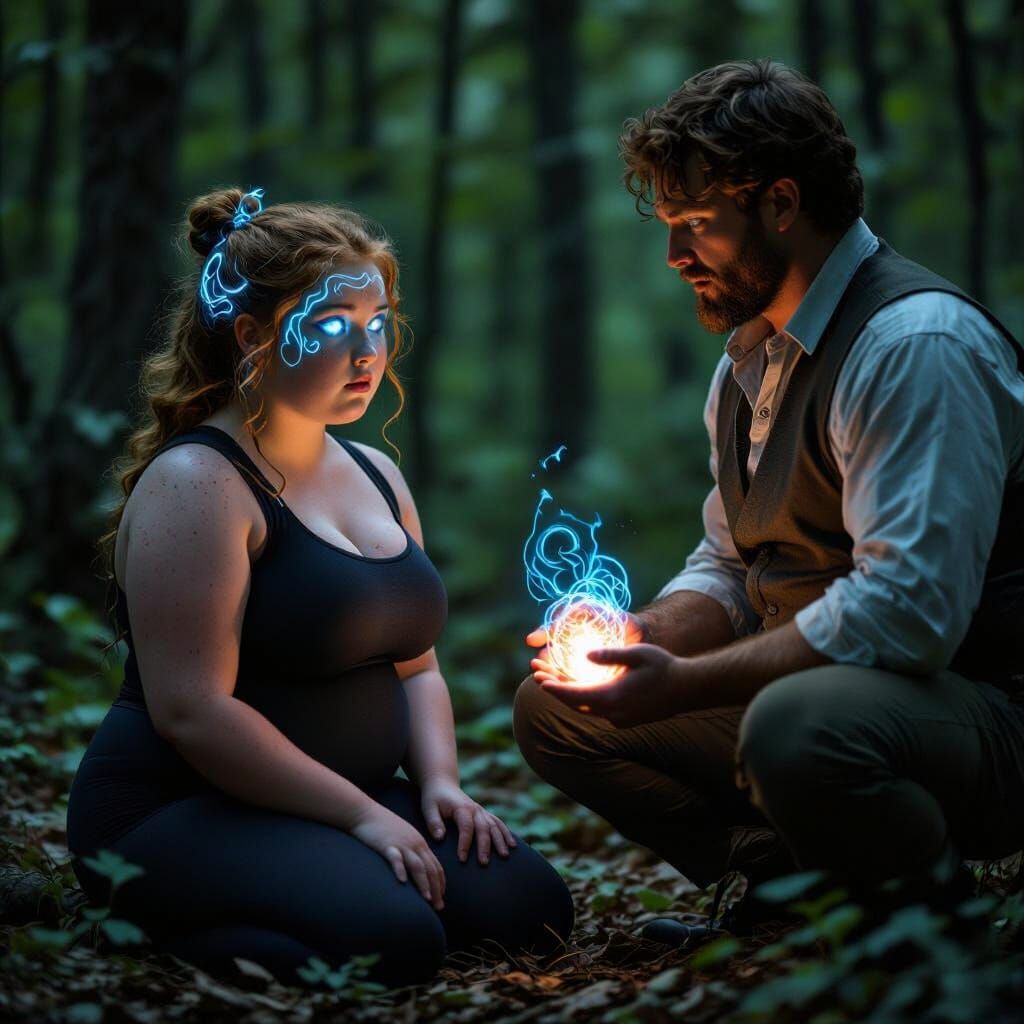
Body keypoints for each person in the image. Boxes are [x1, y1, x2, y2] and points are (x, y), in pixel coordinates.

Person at [514, 59, 1024, 943]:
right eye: (669, 227)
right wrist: (639, 637)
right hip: (844, 701)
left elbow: (910, 615)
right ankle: (792, 903)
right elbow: (729, 562)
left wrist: (686, 684)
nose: (675, 257)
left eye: (696, 225)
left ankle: (930, 940)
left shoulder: (914, 346)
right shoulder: (750, 362)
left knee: (797, 726)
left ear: (782, 203)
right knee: (554, 708)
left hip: (986, 712)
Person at [66, 188, 573, 986]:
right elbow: (192, 711)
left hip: (342, 798)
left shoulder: (377, 473)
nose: (368, 352)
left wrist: (439, 786)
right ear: (252, 336)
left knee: (531, 911)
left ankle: (331, 884)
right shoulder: (200, 481)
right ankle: (127, 933)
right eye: (334, 326)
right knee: (396, 944)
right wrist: (364, 817)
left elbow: (418, 668)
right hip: (180, 810)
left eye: (379, 323)